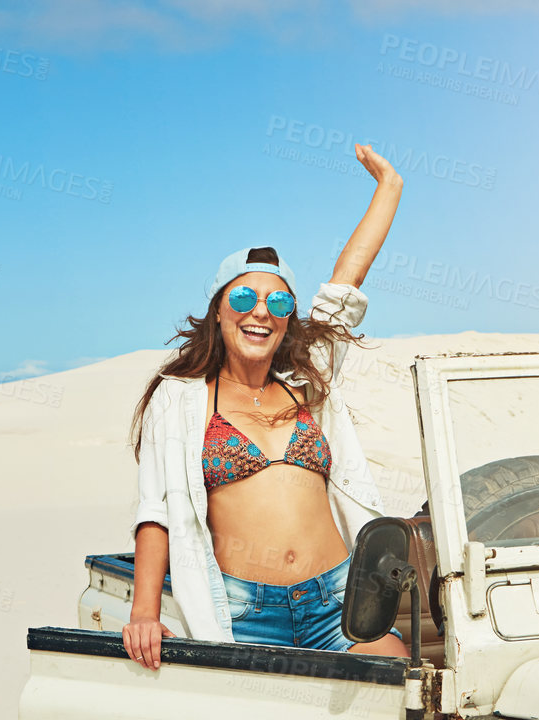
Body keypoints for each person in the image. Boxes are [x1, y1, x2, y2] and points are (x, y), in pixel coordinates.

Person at [122, 144, 408, 674]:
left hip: (339, 603)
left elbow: (344, 286)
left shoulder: (308, 381)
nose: (261, 312)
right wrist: (144, 610)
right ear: (218, 312)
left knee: (403, 695)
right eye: (243, 299)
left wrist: (388, 188)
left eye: (278, 303)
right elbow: (156, 510)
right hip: (245, 614)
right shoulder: (180, 397)